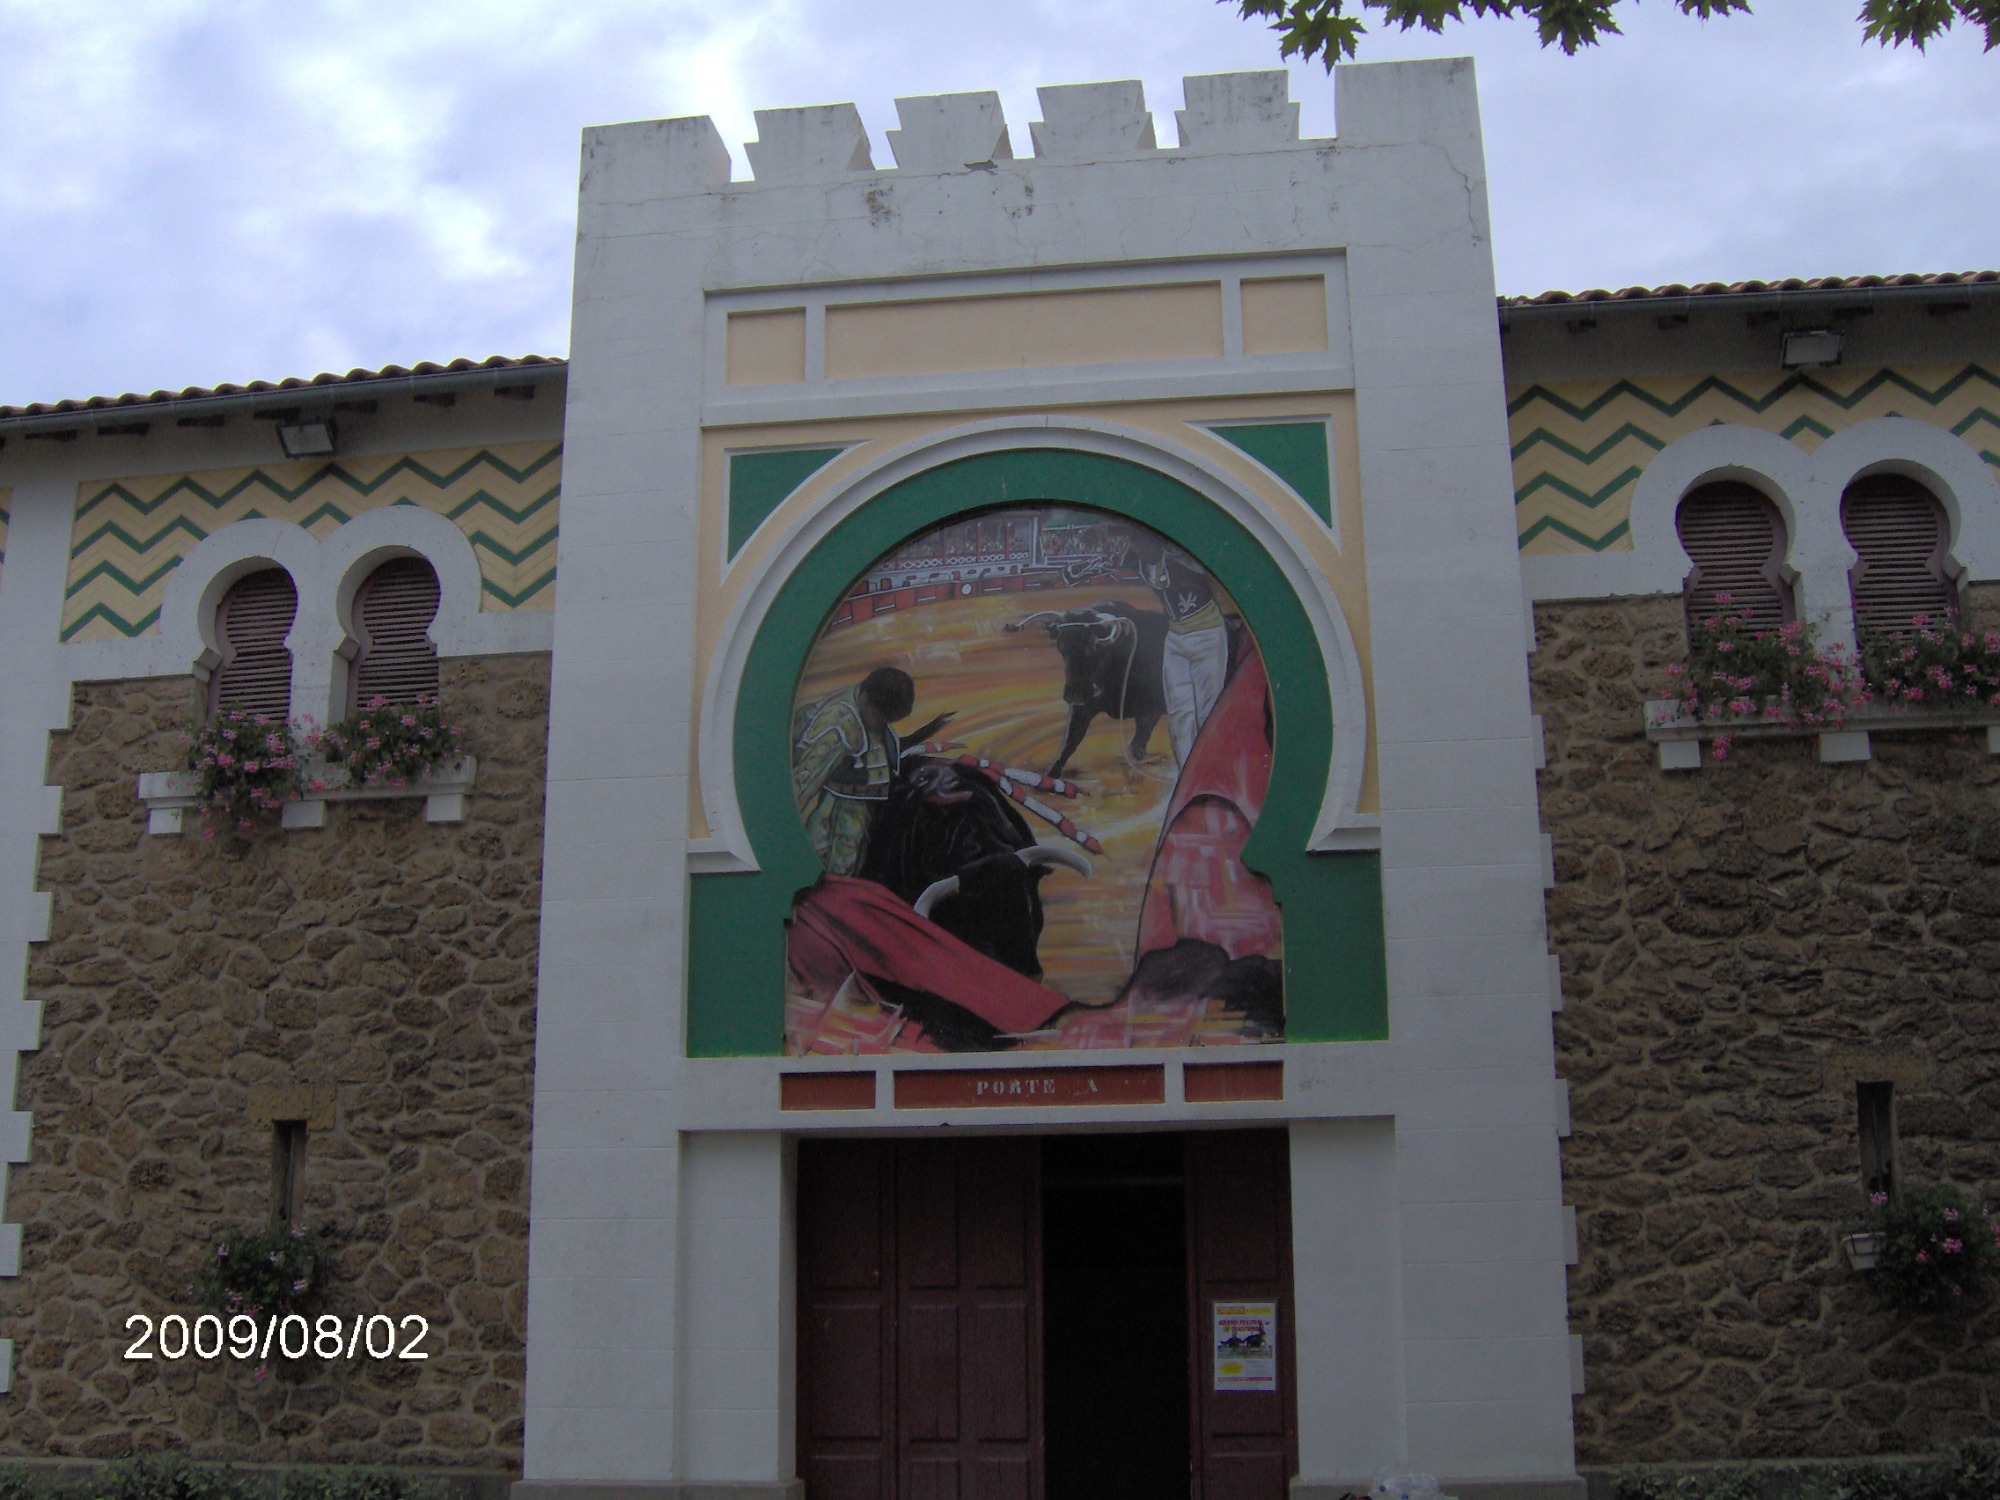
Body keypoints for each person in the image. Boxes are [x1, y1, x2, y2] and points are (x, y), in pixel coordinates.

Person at [792, 667, 939, 875]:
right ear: (866, 699)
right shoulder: (838, 726)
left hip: (864, 821)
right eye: (879, 716)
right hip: (836, 824)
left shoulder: (871, 713)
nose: (882, 723)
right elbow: (802, 785)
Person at [1127, 534, 1229, 765]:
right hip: (1175, 639)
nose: (1139, 548)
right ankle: (1188, 773)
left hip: (1207, 635)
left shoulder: (1185, 559)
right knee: (1179, 714)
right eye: (1135, 543)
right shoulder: (1139, 560)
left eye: (1141, 541)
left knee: (1209, 710)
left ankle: (1211, 768)